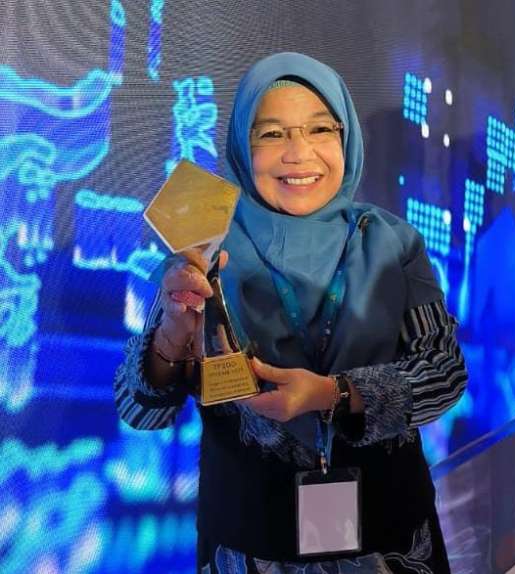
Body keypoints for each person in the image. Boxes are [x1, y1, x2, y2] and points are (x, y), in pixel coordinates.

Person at [114, 52, 467, 574]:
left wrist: (335, 394)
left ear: (346, 139)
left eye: (320, 129)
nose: (300, 153)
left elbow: (445, 373)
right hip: (249, 544)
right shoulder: (202, 250)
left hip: (389, 541)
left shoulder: (393, 243)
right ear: (243, 144)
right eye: (272, 134)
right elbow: (140, 410)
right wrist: (172, 333)